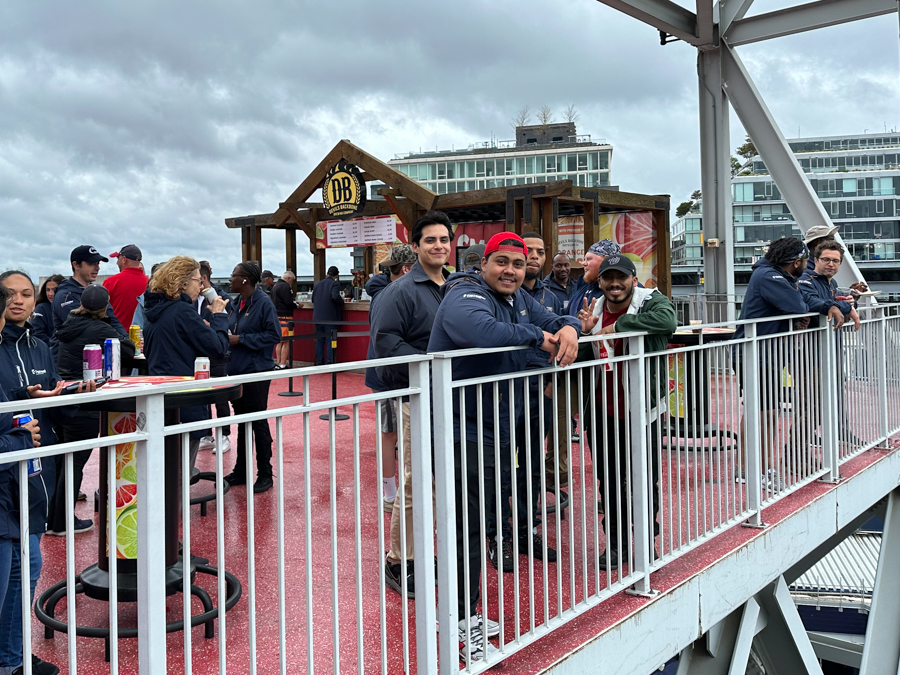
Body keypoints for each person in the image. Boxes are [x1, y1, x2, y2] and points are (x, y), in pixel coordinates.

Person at [428, 231, 580, 663]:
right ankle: (456, 620)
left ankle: (466, 612)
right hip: (462, 430)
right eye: (502, 262)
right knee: (467, 528)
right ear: (484, 263)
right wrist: (538, 337)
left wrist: (567, 326)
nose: (511, 270)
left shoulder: (517, 299)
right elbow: (482, 331)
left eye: (518, 263)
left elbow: (551, 318)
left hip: (492, 429)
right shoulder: (464, 293)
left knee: (483, 523)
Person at [371, 212, 453, 599]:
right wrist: (434, 363)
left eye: (444, 239)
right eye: (431, 240)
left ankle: (421, 551)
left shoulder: (454, 286)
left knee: (437, 482)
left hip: (449, 396)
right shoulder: (400, 291)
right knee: (415, 482)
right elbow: (386, 345)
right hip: (417, 396)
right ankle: (398, 559)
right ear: (416, 246)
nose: (439, 246)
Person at [577, 254, 676, 570]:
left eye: (622, 277)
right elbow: (583, 355)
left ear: (634, 279)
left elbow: (668, 322)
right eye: (608, 278)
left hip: (641, 410)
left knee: (645, 479)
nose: (615, 284)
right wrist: (583, 334)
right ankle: (616, 546)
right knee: (608, 481)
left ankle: (648, 545)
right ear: (600, 281)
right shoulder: (593, 308)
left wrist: (620, 325)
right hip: (602, 410)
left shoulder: (650, 301)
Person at [0, 274, 66, 675]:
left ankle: (12, 657)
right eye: (9, 294)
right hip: (9, 471)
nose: (18, 301)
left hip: (35, 471)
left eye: (26, 293)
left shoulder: (40, 345)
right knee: (20, 567)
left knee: (27, 565)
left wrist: (76, 393)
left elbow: (39, 400)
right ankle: (11, 659)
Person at [488, 232, 560, 572]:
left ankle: (528, 529)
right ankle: (499, 535)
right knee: (499, 467)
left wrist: (572, 328)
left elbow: (562, 327)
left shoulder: (550, 295)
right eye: (523, 253)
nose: (531, 257)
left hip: (536, 391)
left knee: (531, 465)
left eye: (537, 252)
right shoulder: (495, 295)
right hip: (501, 396)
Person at [53, 284, 136, 536]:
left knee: (63, 459)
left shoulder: (70, 323)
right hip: (85, 399)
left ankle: (52, 518)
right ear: (105, 306)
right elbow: (129, 352)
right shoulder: (101, 327)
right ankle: (63, 522)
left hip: (62, 396)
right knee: (76, 460)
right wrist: (112, 320)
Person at [732, 237, 810, 491]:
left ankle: (755, 468)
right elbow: (798, 306)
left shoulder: (773, 275)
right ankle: (753, 470)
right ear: (796, 261)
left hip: (765, 356)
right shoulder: (769, 276)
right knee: (762, 413)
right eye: (805, 261)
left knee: (764, 412)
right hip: (757, 355)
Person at [143, 257, 230, 474]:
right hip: (185, 399)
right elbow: (219, 348)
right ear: (183, 283)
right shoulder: (182, 312)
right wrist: (219, 316)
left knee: (164, 469)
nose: (201, 287)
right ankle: (176, 507)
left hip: (161, 398)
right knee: (181, 473)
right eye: (197, 281)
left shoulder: (155, 311)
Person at [365, 245, 417, 514]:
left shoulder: (379, 291)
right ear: (408, 269)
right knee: (394, 435)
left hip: (383, 373)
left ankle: (391, 491)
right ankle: (391, 493)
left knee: (391, 434)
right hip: (390, 374)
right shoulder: (397, 293)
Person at [797, 240, 861, 453]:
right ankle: (795, 449)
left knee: (820, 404)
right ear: (815, 260)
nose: (831, 264)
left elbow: (836, 305)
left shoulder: (829, 283)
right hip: (809, 353)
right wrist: (842, 305)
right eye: (826, 259)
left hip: (826, 350)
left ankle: (799, 448)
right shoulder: (806, 280)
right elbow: (812, 302)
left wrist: (850, 302)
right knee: (813, 405)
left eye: (835, 261)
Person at [223, 262, 282, 493]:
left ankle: (265, 473)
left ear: (245, 279)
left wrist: (242, 339)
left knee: (257, 420)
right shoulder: (237, 303)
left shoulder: (263, 303)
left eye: (234, 275)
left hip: (256, 371)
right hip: (237, 370)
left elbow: (273, 334)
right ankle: (241, 470)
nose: (230, 279)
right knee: (242, 419)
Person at [50, 245, 128, 358]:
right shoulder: (65, 295)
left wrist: (126, 341)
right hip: (68, 364)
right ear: (76, 265)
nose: (97, 268)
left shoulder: (96, 292)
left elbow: (112, 320)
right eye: (91, 264)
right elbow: (85, 327)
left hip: (93, 359)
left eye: (98, 263)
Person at [196, 262, 233, 454]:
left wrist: (209, 324)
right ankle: (207, 434)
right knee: (203, 393)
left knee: (219, 395)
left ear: (202, 279)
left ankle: (224, 434)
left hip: (217, 353)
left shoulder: (221, 297)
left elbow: (229, 320)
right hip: (200, 353)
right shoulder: (194, 299)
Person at [103, 244, 149, 328]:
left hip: (117, 336)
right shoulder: (150, 283)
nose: (117, 262)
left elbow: (101, 311)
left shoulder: (111, 282)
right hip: (142, 337)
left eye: (118, 258)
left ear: (124, 259)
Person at [312, 266, 343, 365]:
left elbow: (313, 299)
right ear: (337, 275)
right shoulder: (334, 284)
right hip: (330, 317)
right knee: (330, 340)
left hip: (317, 317)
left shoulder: (318, 284)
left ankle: (319, 362)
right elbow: (335, 297)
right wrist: (342, 301)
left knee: (320, 340)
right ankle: (330, 363)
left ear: (327, 273)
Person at [272, 271, 299, 370]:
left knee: (279, 341)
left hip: (277, 316)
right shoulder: (286, 287)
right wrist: (296, 305)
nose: (291, 283)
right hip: (286, 316)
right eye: (291, 280)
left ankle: (278, 362)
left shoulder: (275, 286)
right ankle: (283, 364)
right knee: (287, 341)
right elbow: (288, 302)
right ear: (288, 278)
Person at [31, 275, 64, 346]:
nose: (50, 294)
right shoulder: (41, 309)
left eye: (54, 290)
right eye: (48, 290)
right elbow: (36, 333)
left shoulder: (68, 307)